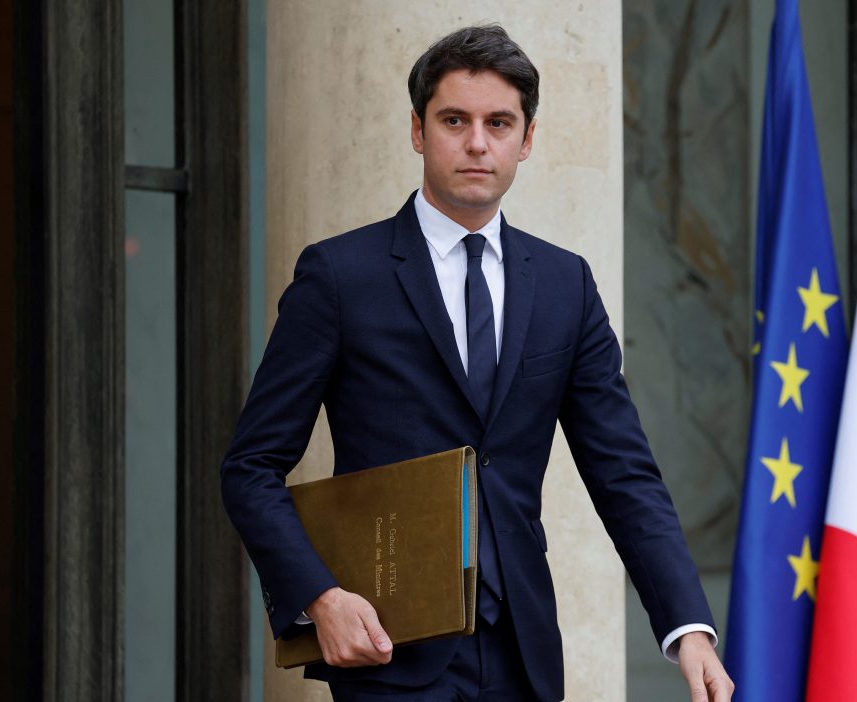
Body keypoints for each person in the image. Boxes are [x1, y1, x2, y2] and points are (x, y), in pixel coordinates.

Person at [221, 24, 734, 702]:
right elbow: (251, 467)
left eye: (499, 123)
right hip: (388, 652)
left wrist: (688, 627)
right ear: (418, 130)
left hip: (522, 655)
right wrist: (320, 597)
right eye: (454, 120)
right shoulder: (340, 277)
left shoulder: (566, 285)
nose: (476, 143)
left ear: (527, 139)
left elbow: (624, 472)